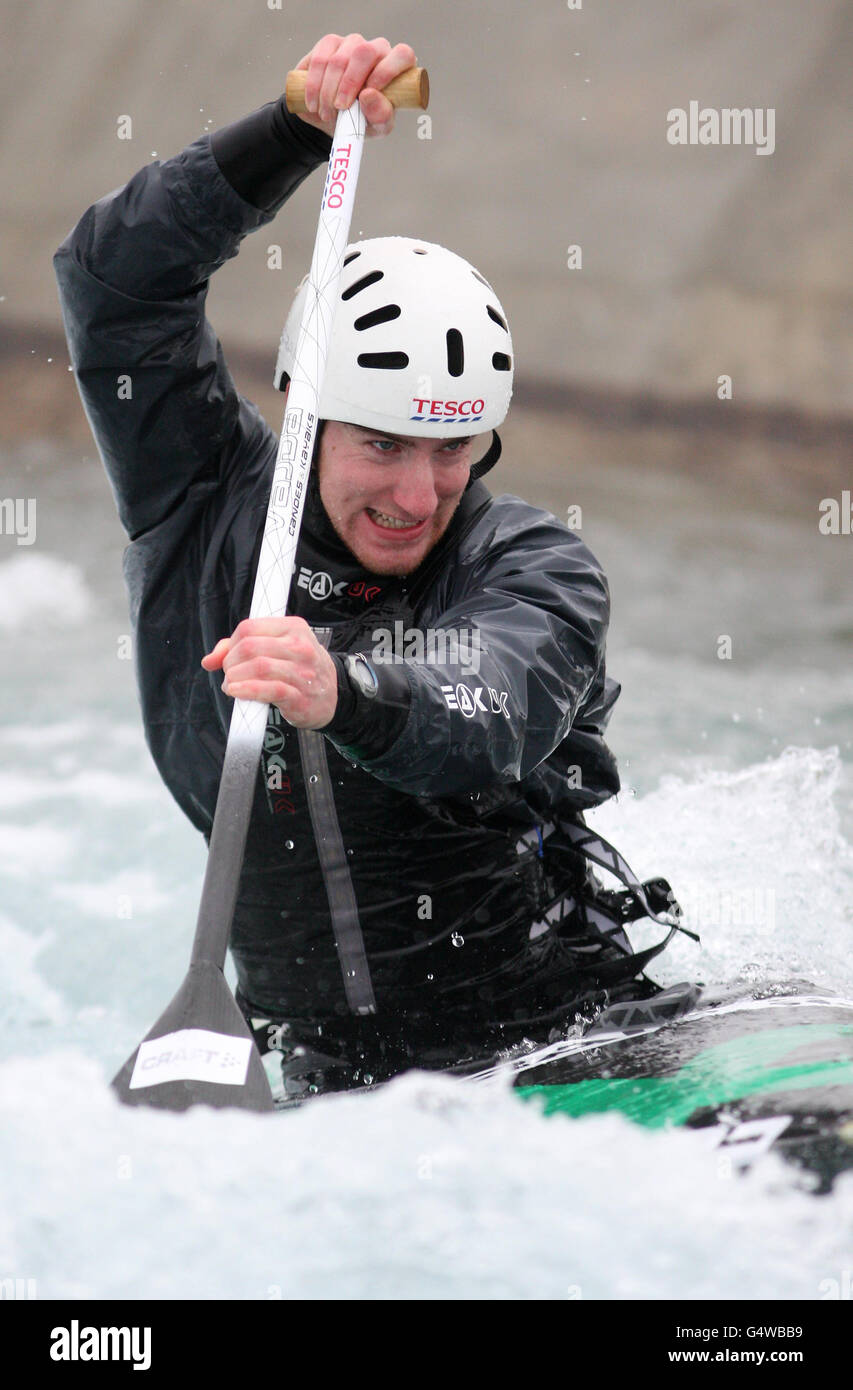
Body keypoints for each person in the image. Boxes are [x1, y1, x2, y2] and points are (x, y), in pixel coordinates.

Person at [55, 33, 683, 1099]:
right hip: (323, 1071)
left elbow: (490, 709)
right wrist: (286, 133)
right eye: (381, 443)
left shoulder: (533, 565)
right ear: (304, 407)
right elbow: (114, 286)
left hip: (565, 1037)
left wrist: (342, 691)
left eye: (451, 449)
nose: (416, 493)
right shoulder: (200, 501)